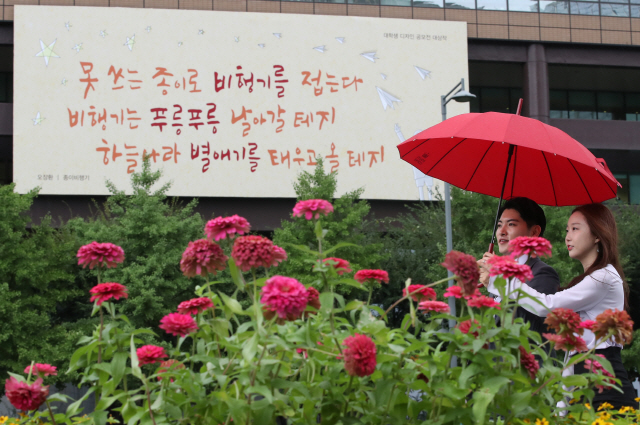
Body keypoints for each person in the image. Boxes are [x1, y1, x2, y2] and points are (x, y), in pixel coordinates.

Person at [487, 203, 638, 410]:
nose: (568, 236)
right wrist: (562, 405)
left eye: (575, 229)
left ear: (597, 235)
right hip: (587, 382)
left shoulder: (603, 277)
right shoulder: (593, 278)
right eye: (567, 230)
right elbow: (575, 351)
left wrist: (497, 279)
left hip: (605, 387)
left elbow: (546, 306)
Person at [479, 197, 561, 339]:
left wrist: (497, 281)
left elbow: (533, 329)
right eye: (499, 225)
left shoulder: (543, 274)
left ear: (534, 232)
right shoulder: (498, 272)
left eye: (511, 224)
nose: (502, 231)